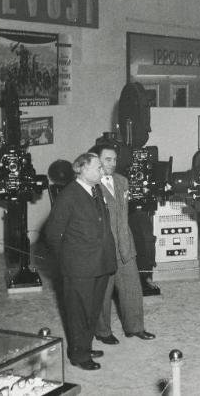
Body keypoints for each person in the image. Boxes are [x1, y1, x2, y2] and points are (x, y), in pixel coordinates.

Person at [45, 153, 117, 370]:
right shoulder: (69, 195)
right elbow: (52, 234)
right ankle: (79, 355)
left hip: (100, 263)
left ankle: (84, 345)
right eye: (97, 167)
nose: (102, 170)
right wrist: (69, 260)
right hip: (79, 266)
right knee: (78, 312)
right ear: (82, 169)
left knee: (93, 310)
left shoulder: (95, 190)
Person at [90, 144, 156, 345]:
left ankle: (135, 327)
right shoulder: (90, 185)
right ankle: (102, 331)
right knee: (102, 292)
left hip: (125, 245)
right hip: (104, 248)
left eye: (114, 159)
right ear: (97, 160)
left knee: (132, 289)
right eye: (107, 159)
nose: (112, 163)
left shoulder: (122, 181)